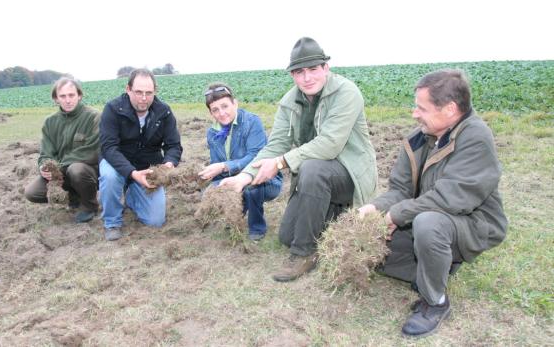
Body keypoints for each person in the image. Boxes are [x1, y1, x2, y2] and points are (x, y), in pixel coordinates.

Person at [358, 69, 508, 338]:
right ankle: (439, 264)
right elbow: (401, 190)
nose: (415, 114)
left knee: (429, 224)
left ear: (450, 109)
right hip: (428, 216)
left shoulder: (475, 136)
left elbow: (451, 198)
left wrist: (395, 215)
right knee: (372, 251)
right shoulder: (419, 138)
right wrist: (377, 209)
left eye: (421, 108)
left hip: (473, 223)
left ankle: (435, 302)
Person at [221, 37, 377, 281]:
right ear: (292, 75)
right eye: (299, 72)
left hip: (350, 173)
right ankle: (333, 214)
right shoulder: (289, 102)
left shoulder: (347, 92)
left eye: (313, 69)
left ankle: (305, 254)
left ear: (326, 68)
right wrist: (244, 176)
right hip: (314, 178)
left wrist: (281, 163)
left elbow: (329, 145)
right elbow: (276, 144)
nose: (307, 78)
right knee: (287, 236)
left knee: (313, 169)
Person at [99, 68, 182, 241]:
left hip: (147, 167)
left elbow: (173, 146)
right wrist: (132, 173)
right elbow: (109, 147)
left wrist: (168, 164)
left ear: (155, 91)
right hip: (117, 162)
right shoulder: (112, 109)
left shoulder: (164, 112)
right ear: (128, 89)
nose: (143, 98)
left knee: (156, 221)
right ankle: (112, 221)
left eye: (148, 93)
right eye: (138, 92)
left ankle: (131, 195)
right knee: (109, 177)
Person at [198, 83, 283, 241]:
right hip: (233, 177)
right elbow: (216, 164)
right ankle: (235, 214)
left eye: (225, 106)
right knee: (209, 194)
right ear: (210, 113)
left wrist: (225, 166)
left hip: (263, 178)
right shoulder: (212, 133)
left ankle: (257, 226)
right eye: (215, 110)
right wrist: (214, 184)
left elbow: (256, 156)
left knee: (252, 189)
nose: (221, 113)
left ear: (235, 103)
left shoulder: (252, 122)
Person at [24, 77, 100, 223]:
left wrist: (60, 165)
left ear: (79, 95)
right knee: (32, 193)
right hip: (60, 175)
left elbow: (92, 150)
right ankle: (74, 197)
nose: (68, 100)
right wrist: (44, 167)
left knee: (76, 170)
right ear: (56, 98)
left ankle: (89, 205)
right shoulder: (50, 122)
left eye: (71, 95)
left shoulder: (93, 117)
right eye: (62, 96)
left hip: (88, 172)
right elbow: (45, 153)